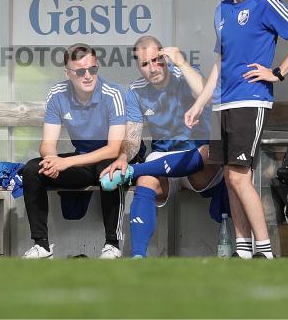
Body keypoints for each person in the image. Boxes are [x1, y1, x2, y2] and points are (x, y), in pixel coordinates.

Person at [186, 0, 288, 259]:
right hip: (222, 104)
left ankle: (264, 250)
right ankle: (242, 250)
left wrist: (278, 73)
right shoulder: (221, 10)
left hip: (250, 99)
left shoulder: (264, 2)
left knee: (237, 175)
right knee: (229, 178)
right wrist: (200, 101)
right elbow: (220, 62)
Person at [100, 36, 223, 258]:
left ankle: (134, 172)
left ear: (165, 57)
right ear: (138, 66)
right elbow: (133, 136)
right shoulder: (135, 91)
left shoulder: (185, 73)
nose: (152, 68)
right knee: (145, 181)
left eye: (157, 60)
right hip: (163, 162)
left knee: (210, 151)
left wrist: (182, 63)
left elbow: (207, 96)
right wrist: (122, 158)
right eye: (144, 64)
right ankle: (138, 257)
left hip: (197, 162)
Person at [21, 43, 127, 259]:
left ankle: (112, 245)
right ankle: (42, 245)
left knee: (110, 172)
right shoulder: (57, 93)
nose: (87, 76)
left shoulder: (112, 93)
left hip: (111, 158)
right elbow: (47, 143)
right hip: (83, 159)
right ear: (67, 73)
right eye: (80, 71)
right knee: (33, 169)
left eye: (93, 69)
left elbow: (113, 148)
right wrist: (51, 160)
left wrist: (66, 162)